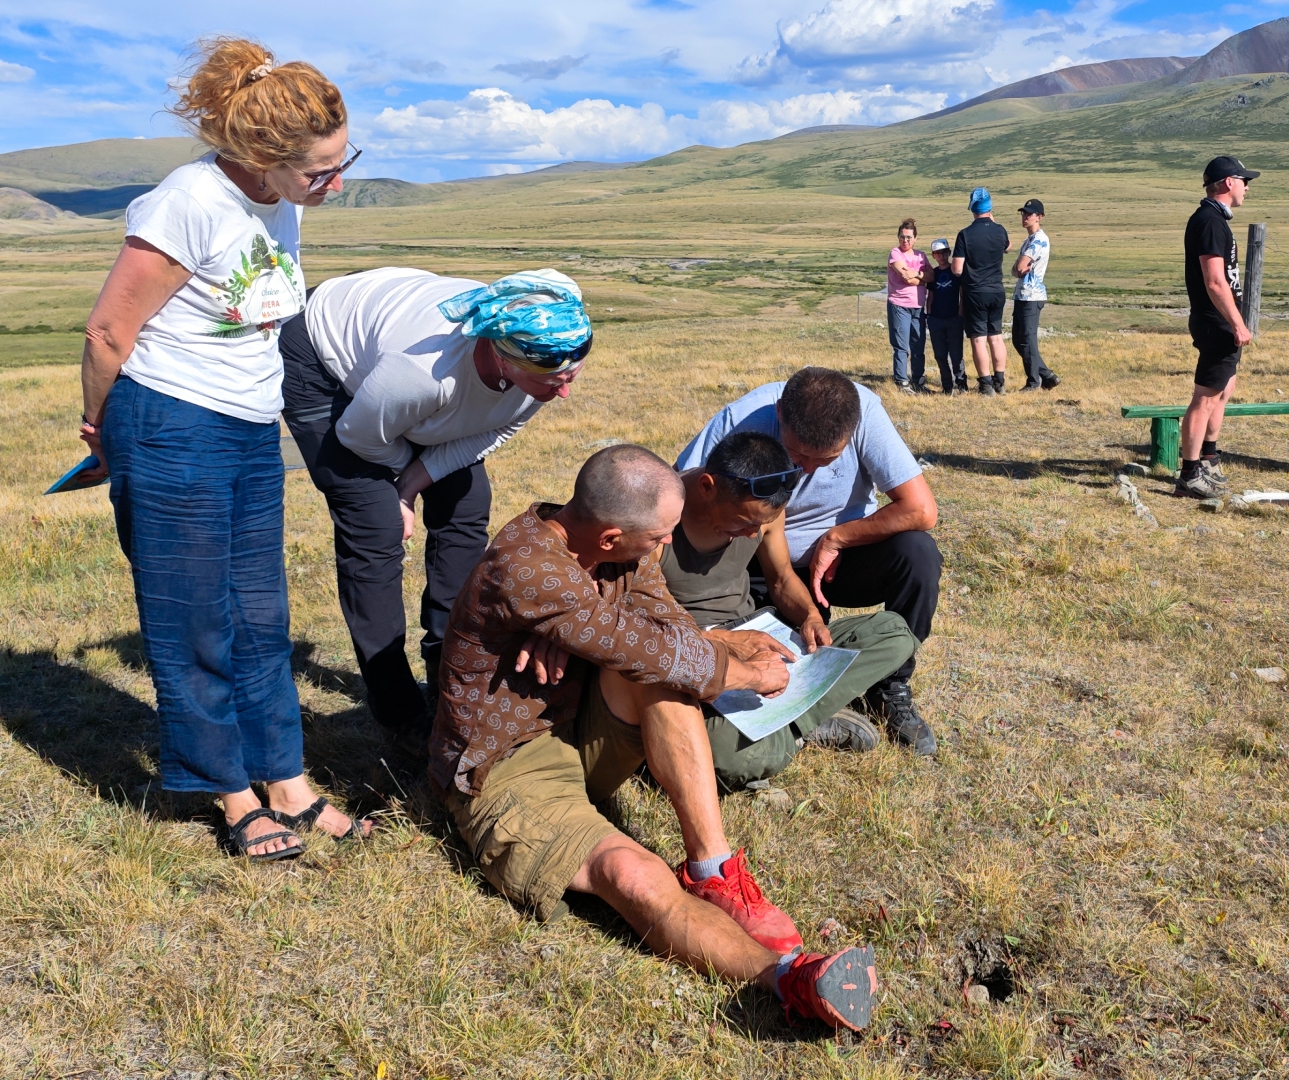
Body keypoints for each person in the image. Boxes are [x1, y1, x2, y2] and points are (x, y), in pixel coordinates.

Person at [428, 445, 878, 1031]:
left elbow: (665, 625)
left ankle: (712, 870)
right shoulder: (529, 569)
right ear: (611, 537)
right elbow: (650, 645)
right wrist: (744, 673)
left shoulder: (606, 548)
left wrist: (580, 627)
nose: (667, 545)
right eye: (659, 537)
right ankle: (790, 977)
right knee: (629, 873)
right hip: (506, 768)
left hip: (570, 725)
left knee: (662, 675)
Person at [78, 38, 369, 860]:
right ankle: (230, 791)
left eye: (342, 163)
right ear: (262, 156)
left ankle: (287, 781)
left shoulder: (284, 199)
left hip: (247, 426)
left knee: (261, 618)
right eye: (320, 171)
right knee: (195, 620)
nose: (335, 183)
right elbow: (107, 331)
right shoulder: (187, 203)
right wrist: (100, 429)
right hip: (170, 423)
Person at [279, 267, 590, 748]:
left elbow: (497, 427)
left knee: (466, 502)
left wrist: (414, 482)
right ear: (501, 357)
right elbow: (359, 434)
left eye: (571, 373)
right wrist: (398, 486)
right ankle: (399, 712)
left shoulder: (552, 342)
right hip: (323, 353)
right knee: (375, 526)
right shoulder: (423, 375)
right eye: (551, 379)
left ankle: (454, 670)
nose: (565, 391)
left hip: (397, 363)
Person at [677, 367, 940, 755]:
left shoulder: (865, 412)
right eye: (798, 455)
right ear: (779, 414)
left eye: (828, 459)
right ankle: (805, 714)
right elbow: (681, 497)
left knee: (917, 554)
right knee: (768, 658)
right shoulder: (740, 420)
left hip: (839, 561)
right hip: (763, 565)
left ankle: (890, 686)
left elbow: (921, 510)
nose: (807, 471)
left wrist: (838, 538)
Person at [662, 431, 918, 788]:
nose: (751, 534)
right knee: (729, 757)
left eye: (759, 526)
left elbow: (781, 578)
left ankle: (782, 725)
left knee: (894, 633)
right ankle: (801, 724)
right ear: (707, 487)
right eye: (743, 522)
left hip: (759, 633)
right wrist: (720, 641)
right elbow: (642, 626)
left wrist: (809, 616)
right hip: (696, 651)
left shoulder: (762, 513)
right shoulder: (659, 517)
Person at [1176, 156, 1259, 499]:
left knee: (1223, 390)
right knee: (1205, 396)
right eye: (1244, 181)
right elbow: (1214, 281)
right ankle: (1189, 473)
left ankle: (1208, 457)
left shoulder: (1215, 219)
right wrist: (1237, 323)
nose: (1247, 188)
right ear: (1228, 182)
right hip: (1216, 321)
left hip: (1222, 320)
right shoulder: (1209, 221)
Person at [952, 187, 1011, 396]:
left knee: (978, 339)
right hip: (997, 290)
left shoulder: (965, 234)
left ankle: (986, 385)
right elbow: (1008, 247)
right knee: (996, 337)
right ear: (990, 207)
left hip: (975, 292)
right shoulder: (1000, 230)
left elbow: (957, 269)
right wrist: (994, 223)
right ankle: (1000, 381)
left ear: (972, 208)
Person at [1011, 199, 1060, 392]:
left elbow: (1020, 266)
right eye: (1023, 213)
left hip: (1032, 295)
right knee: (1018, 339)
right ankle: (1047, 375)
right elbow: (1015, 270)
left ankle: (1034, 381)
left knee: (1028, 340)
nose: (1025, 217)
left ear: (1039, 217)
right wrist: (1019, 268)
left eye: (1029, 214)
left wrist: (1019, 268)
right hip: (1022, 294)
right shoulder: (1028, 240)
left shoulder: (1039, 239)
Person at [887, 218, 934, 394]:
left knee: (918, 344)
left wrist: (918, 274)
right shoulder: (895, 253)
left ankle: (918, 380)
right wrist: (922, 280)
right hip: (899, 304)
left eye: (908, 237)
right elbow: (906, 277)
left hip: (918, 306)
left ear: (915, 238)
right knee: (901, 345)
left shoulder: (921, 256)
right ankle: (902, 382)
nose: (905, 240)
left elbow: (932, 276)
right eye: (902, 236)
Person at [926, 238, 966, 394]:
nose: (941, 256)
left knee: (956, 354)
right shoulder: (933, 273)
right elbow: (930, 295)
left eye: (944, 253)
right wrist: (929, 314)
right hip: (936, 319)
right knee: (940, 355)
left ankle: (961, 383)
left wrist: (960, 314)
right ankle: (947, 385)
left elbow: (962, 294)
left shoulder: (956, 271)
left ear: (949, 253)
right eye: (937, 253)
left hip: (954, 318)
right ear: (933, 256)